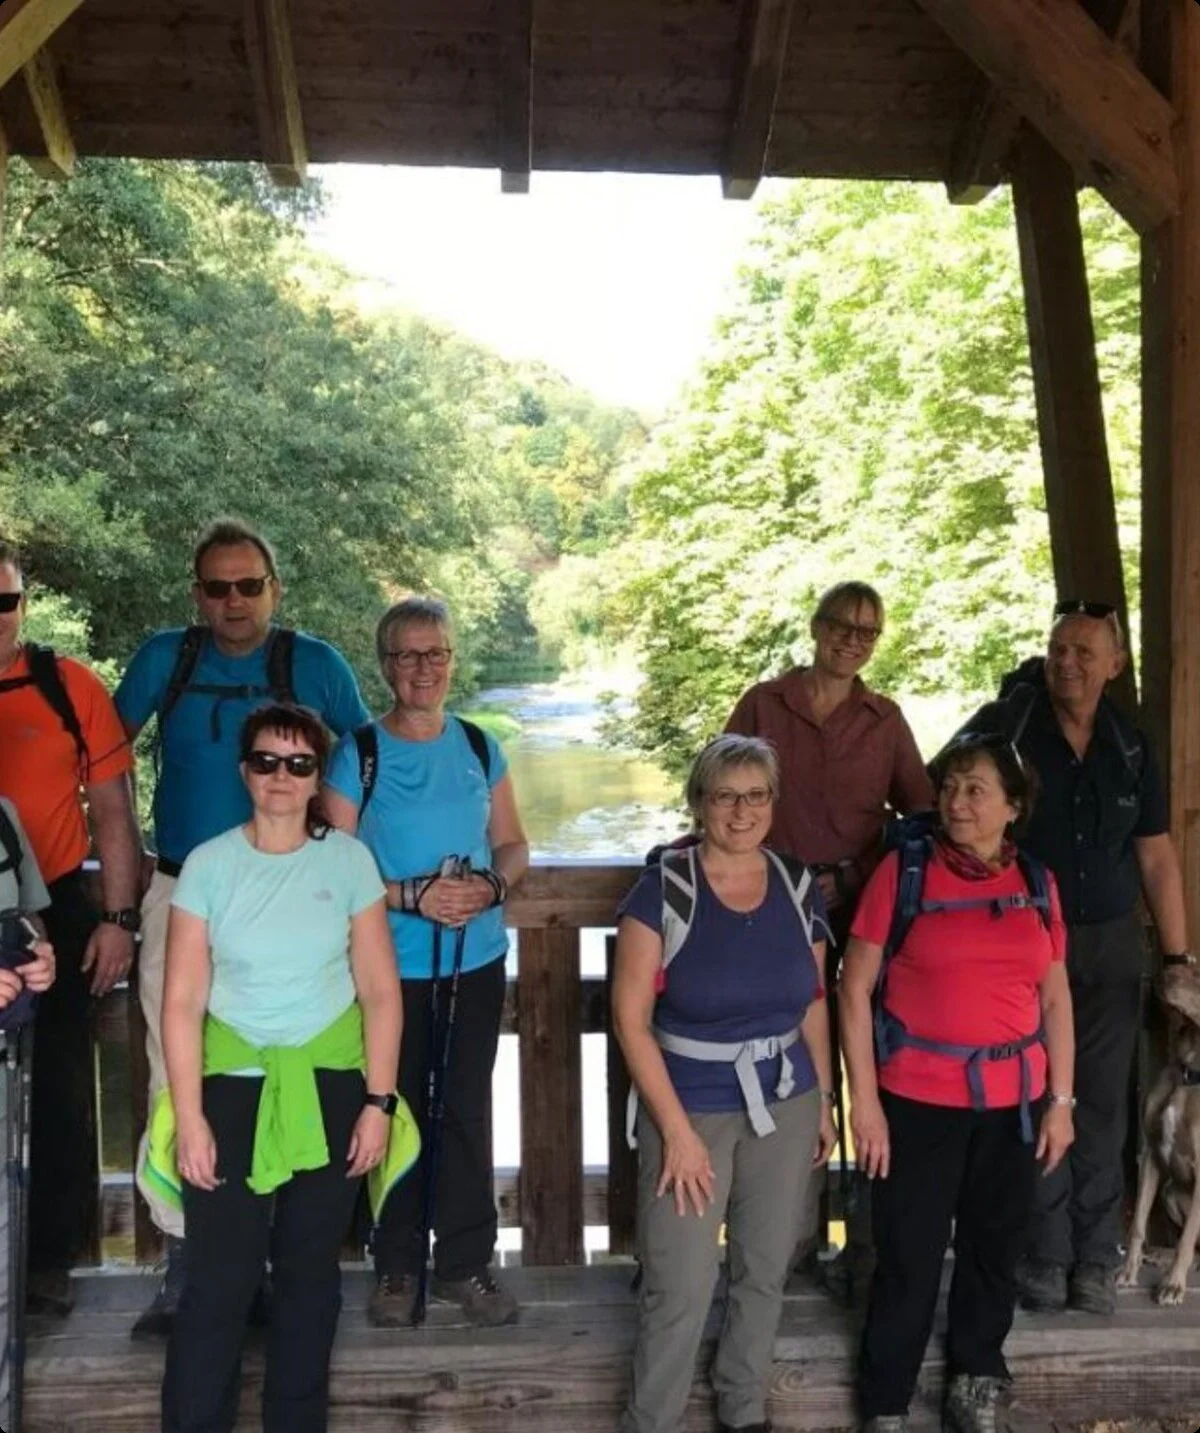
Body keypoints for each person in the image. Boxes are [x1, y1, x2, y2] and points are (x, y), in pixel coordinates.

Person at [115, 518, 370, 1336]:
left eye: (249, 584)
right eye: (218, 586)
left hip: (296, 894)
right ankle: (187, 1261)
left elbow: (365, 757)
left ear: (274, 588)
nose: (234, 600)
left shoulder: (316, 664)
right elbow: (102, 761)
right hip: (179, 886)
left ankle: (279, 1255)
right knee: (175, 1068)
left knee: (290, 1060)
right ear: (197, 594)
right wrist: (118, 871)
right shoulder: (165, 659)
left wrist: (343, 855)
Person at [156, 703, 404, 1433]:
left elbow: (380, 991)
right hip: (230, 1083)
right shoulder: (208, 865)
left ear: (317, 776)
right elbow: (181, 1001)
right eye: (266, 761)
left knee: (309, 1275)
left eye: (299, 764)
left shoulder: (349, 862)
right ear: (245, 771)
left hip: (330, 1083)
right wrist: (190, 1118)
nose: (281, 777)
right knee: (220, 1277)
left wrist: (379, 1104)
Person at [839, 733, 1075, 1433]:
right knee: (907, 1256)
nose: (956, 802)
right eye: (949, 786)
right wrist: (866, 1104)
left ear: (1013, 806)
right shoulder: (903, 872)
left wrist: (1061, 1101)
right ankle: (887, 1401)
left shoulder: (1037, 883)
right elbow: (853, 990)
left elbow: (1056, 998)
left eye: (976, 789)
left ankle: (976, 1379)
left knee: (994, 1249)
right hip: (917, 1101)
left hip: (1014, 1104)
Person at [961, 599, 1187, 1317]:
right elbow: (952, 806)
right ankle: (1045, 1253)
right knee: (1035, 1094)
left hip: (1112, 941)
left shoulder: (1130, 742)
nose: (1067, 663)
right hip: (1025, 937)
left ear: (1114, 664)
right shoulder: (1006, 726)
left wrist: (1177, 956)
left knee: (1101, 1100)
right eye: (1059, 648)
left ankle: (1094, 1256)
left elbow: (1156, 855)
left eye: (1085, 652)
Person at [613, 733, 837, 1433]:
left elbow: (814, 1000)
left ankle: (743, 1408)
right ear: (699, 803)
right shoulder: (664, 890)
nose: (742, 811)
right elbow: (630, 1021)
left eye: (756, 795)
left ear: (774, 801)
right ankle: (651, 1420)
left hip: (786, 1099)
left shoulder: (796, 884)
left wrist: (824, 1100)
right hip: (690, 1106)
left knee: (764, 1268)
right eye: (725, 796)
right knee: (678, 1283)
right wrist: (676, 1134)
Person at [323, 595, 530, 1328]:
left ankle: (466, 1264)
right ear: (385, 665)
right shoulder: (357, 754)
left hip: (474, 961)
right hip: (388, 971)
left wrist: (490, 886)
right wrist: (411, 894)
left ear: (451, 660)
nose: (423, 667)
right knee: (395, 1107)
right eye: (407, 654)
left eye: (435, 652)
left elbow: (514, 844)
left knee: (465, 1109)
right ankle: (397, 1264)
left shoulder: (479, 745)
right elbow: (332, 867)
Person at [725, 580, 934, 1273]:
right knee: (788, 1062)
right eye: (843, 625)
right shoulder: (765, 703)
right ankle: (789, 1239)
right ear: (816, 627)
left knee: (871, 1057)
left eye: (868, 631)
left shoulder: (884, 718)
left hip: (861, 908)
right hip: (774, 908)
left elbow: (921, 815)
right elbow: (722, 790)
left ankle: (866, 1246)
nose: (853, 640)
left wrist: (864, 875)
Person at [0, 541, 141, 1318]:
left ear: (23, 604)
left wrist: (118, 919)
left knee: (57, 1086)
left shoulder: (69, 685)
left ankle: (48, 1259)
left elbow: (114, 811)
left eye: (5, 600)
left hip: (52, 904)